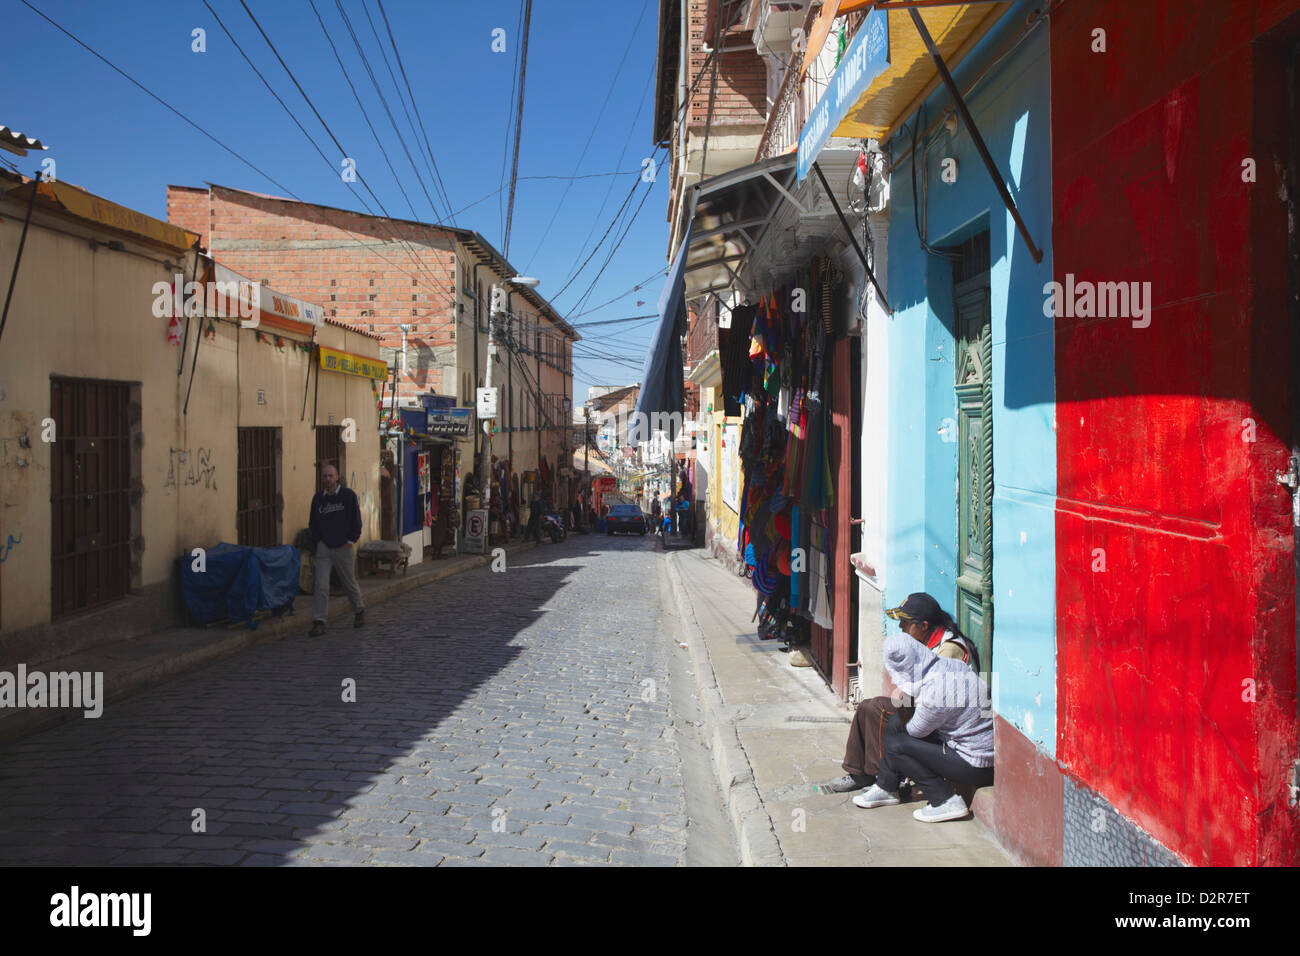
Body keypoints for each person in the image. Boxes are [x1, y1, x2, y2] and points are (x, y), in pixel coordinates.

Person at [823, 593, 979, 793]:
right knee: (867, 707)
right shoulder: (925, 642)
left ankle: (886, 779)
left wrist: (906, 694)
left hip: (946, 721)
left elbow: (936, 696)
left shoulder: (949, 649)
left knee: (883, 714)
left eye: (905, 623)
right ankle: (859, 774)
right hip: (928, 707)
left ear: (923, 626)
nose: (900, 628)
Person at [851, 632, 994, 822]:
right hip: (967, 747)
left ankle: (945, 800)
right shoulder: (948, 665)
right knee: (896, 723)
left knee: (898, 747)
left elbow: (916, 731)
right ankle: (887, 786)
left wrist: (907, 696)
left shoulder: (936, 690)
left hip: (976, 764)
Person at [308, 464, 365, 636]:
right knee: (321, 585)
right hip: (324, 547)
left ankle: (359, 610)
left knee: (348, 582)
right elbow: (313, 523)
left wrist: (351, 540)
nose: (328, 480)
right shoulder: (318, 499)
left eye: (330, 476)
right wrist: (318, 541)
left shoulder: (348, 496)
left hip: (344, 546)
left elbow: (356, 520)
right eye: (325, 476)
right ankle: (319, 621)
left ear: (337, 477)